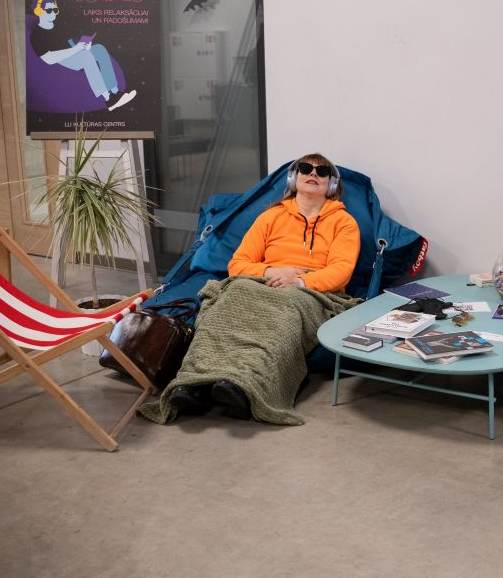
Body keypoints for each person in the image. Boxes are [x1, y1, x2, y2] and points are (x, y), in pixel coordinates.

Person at [152, 153, 361, 422]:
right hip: (263, 281)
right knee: (229, 300)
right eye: (305, 168)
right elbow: (237, 264)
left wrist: (299, 281)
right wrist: (272, 271)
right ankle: (192, 383)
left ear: (331, 185)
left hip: (310, 291)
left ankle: (245, 387)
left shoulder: (344, 223)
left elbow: (341, 272)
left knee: (283, 311)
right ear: (293, 177)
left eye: (322, 172)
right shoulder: (270, 217)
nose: (313, 174)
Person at [29, 0, 136, 111]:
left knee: (99, 49)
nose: (53, 13)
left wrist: (83, 46)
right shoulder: (37, 34)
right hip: (60, 59)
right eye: (49, 10)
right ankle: (108, 99)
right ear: (39, 11)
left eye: (55, 10)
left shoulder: (58, 27)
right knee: (86, 57)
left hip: (73, 52)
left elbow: (70, 42)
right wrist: (76, 49)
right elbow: (48, 59)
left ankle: (115, 92)